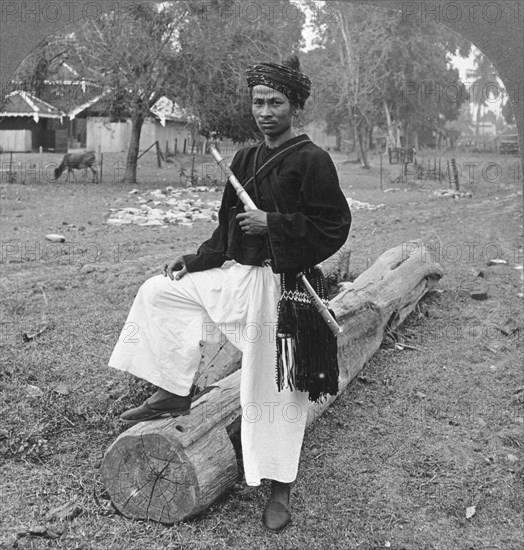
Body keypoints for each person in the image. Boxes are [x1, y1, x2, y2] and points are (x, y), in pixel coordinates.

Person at [109, 55, 351, 532]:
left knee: (273, 388)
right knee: (160, 292)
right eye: (258, 101)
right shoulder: (243, 158)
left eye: (275, 102)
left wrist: (274, 224)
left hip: (283, 289)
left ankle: (279, 487)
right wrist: (197, 260)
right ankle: (174, 391)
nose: (264, 111)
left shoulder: (313, 160)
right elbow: (226, 228)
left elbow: (334, 227)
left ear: (295, 105)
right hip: (239, 276)